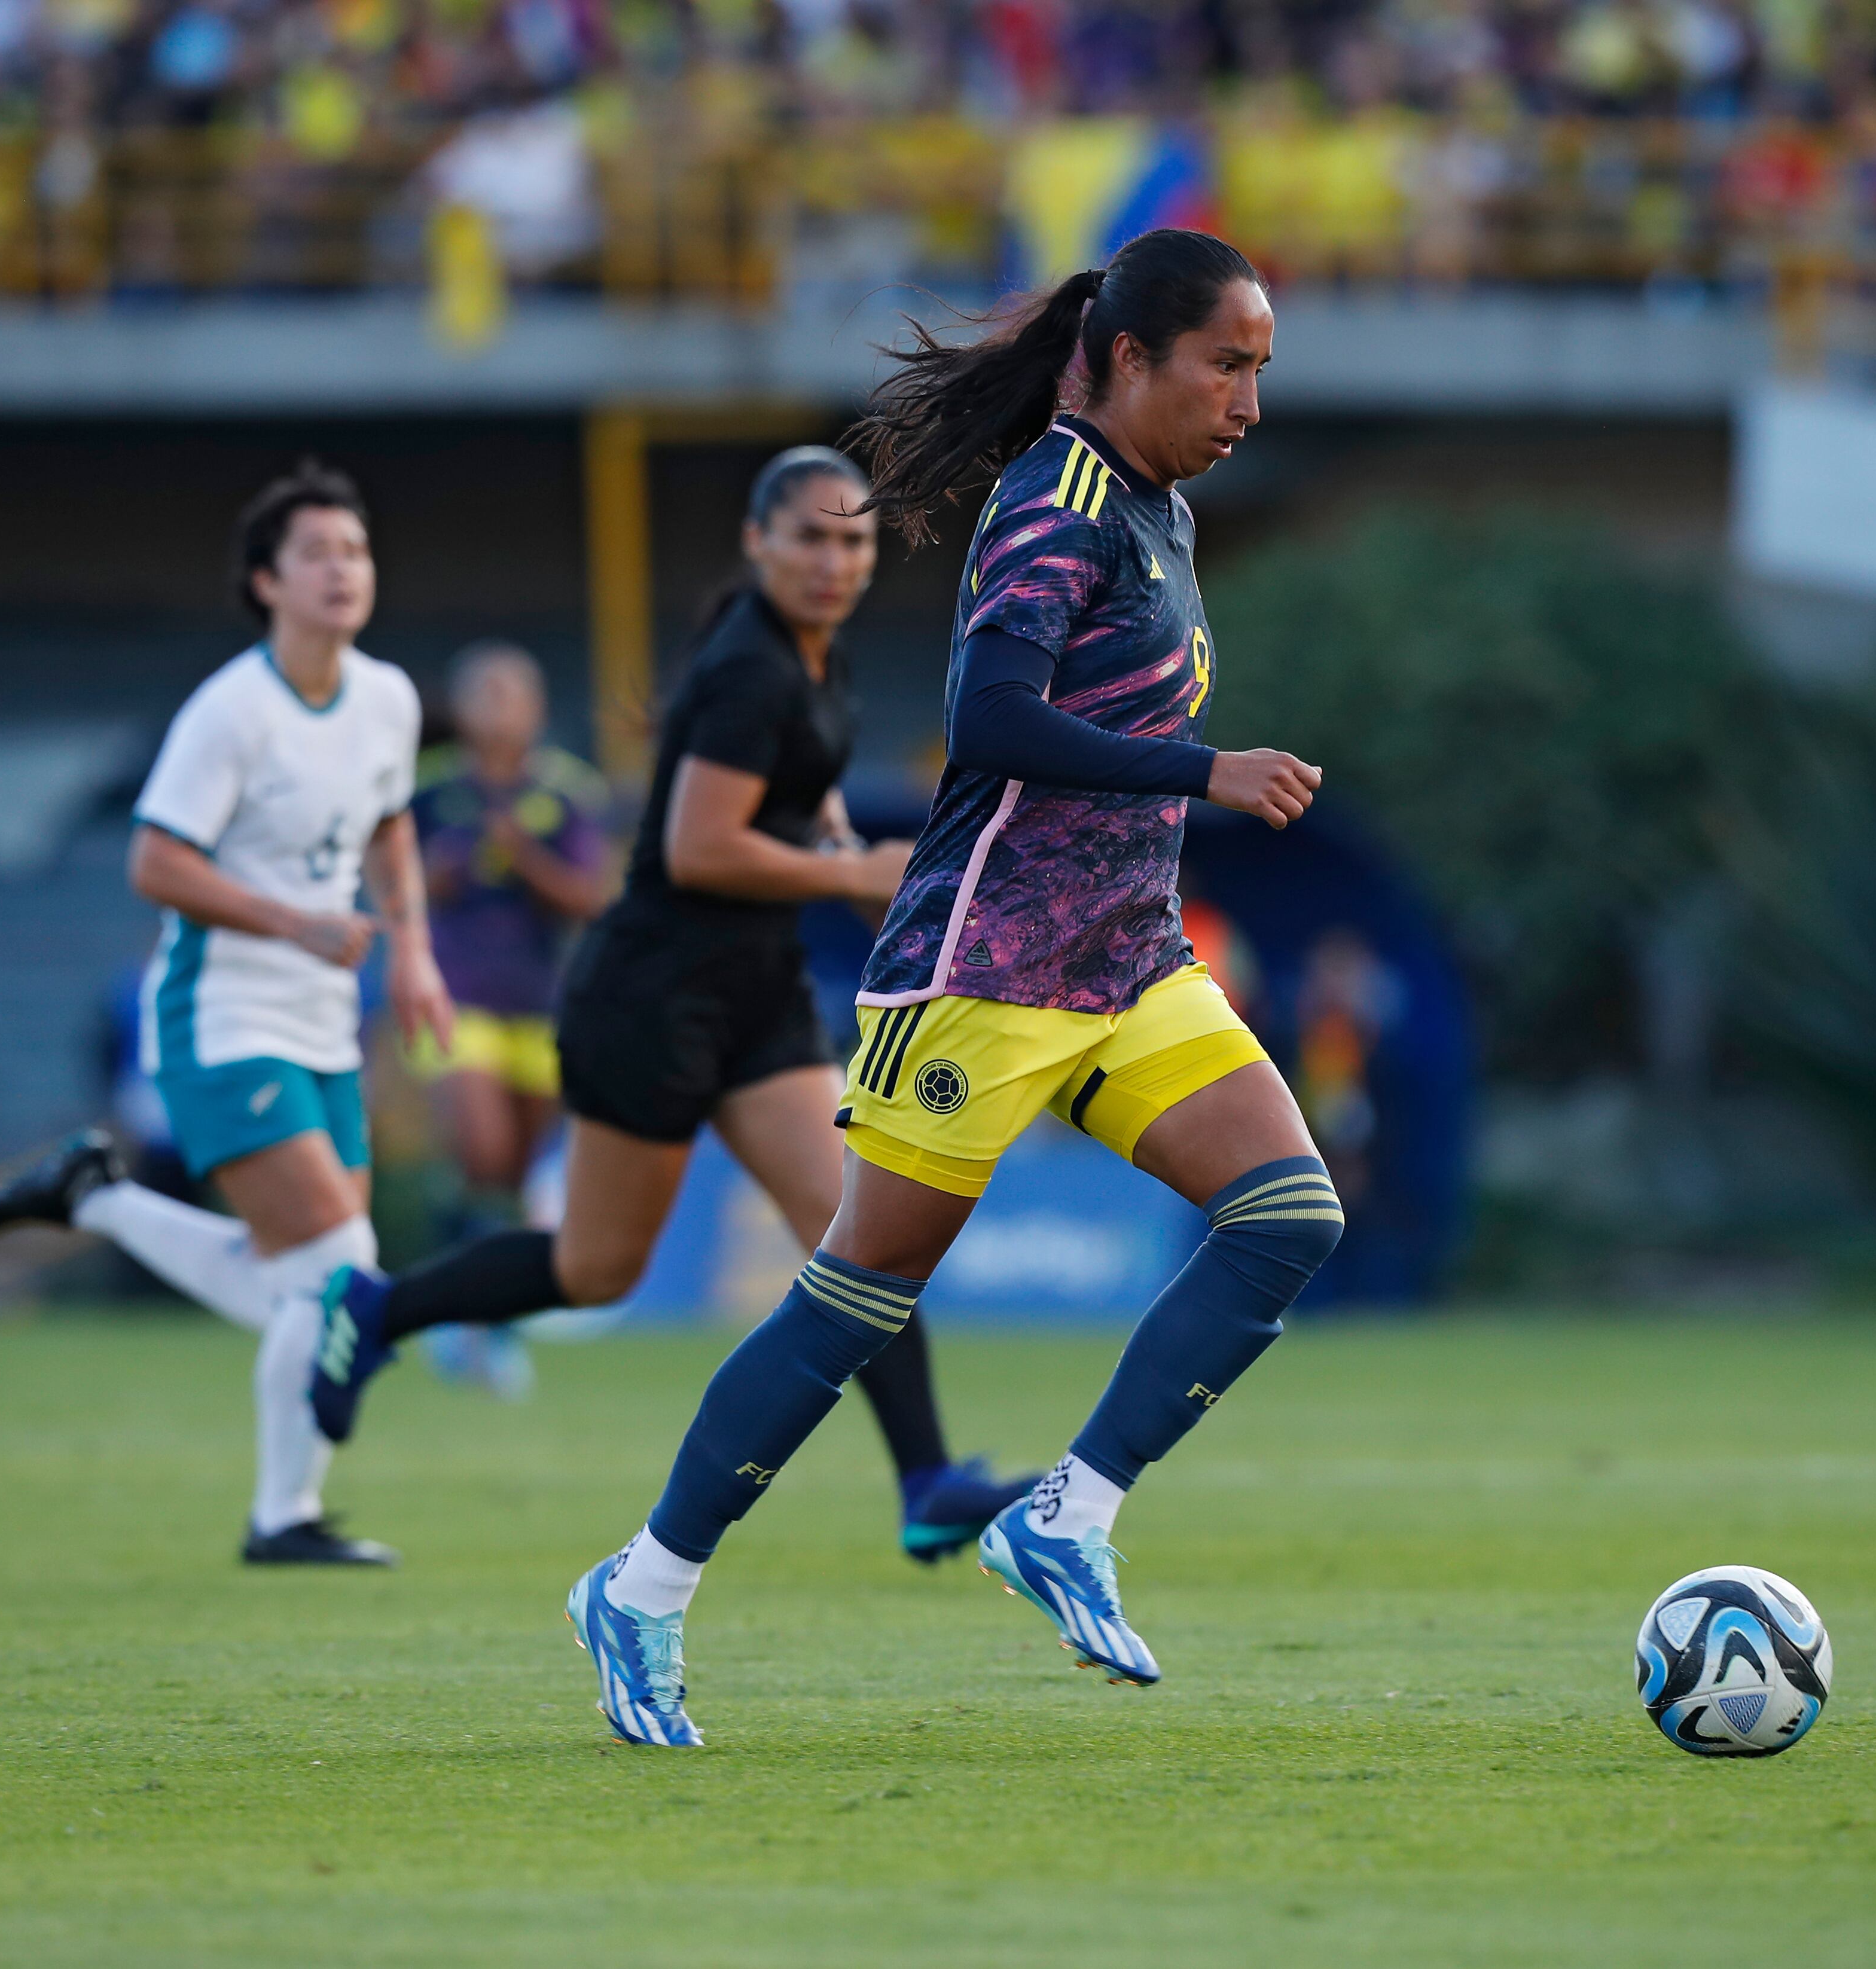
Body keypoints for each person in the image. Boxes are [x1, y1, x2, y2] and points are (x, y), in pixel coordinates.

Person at [567, 229, 1338, 1747]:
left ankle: (1069, 1511)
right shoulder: (1054, 503)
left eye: (1262, 368)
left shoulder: (1160, 509)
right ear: (1128, 358)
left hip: (1124, 959)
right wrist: (1207, 768)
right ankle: (642, 1586)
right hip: (987, 972)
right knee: (854, 1302)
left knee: (1287, 1214)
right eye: (1225, 363)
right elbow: (988, 720)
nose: (1248, 397)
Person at [307, 446, 1041, 1563]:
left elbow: (789, 783)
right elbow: (700, 847)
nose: (836, 559)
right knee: (596, 1266)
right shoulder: (752, 667)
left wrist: (830, 826)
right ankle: (374, 1311)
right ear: (758, 544)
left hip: (755, 996)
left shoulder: (811, 659)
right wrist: (851, 872)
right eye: (810, 536)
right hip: (654, 997)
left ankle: (929, 1478)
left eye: (853, 539)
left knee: (864, 1233)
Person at [0, 460, 453, 1568]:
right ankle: (280, 1505)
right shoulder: (231, 709)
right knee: (341, 1262)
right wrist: (291, 923)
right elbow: (154, 860)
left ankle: (283, 1511)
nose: (344, 570)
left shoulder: (386, 697)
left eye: (357, 550)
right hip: (221, 1014)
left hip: (325, 1014)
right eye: (318, 553)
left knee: (308, 1280)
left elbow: (390, 823)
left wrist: (414, 950)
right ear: (265, 582)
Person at [403, 642, 610, 1397]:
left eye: (510, 693)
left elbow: (591, 898)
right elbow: (400, 887)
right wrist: (450, 869)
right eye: (482, 693)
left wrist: (523, 858)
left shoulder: (565, 793)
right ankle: (455, 1320)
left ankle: (479, 1320)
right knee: (483, 1146)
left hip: (539, 1002)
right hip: (455, 997)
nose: (497, 707)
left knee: (512, 1175)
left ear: (537, 710)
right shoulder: (427, 792)